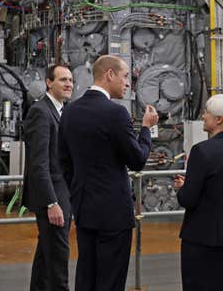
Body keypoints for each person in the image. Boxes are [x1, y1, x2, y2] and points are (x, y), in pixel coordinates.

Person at [59, 55, 159, 291]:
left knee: (87, 275)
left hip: (84, 209)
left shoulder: (70, 111)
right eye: (125, 76)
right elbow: (137, 160)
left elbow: (63, 161)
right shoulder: (116, 113)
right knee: (111, 280)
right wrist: (146, 128)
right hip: (113, 213)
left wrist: (78, 193)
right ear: (109, 75)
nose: (128, 83)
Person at [174, 94, 223, 291]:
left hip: (202, 237)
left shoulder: (201, 151)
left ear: (219, 119)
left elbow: (189, 199)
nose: (203, 116)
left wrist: (182, 188)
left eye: (207, 113)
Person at [22, 64, 74, 291]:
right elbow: (38, 164)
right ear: (49, 82)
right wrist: (51, 202)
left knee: (46, 254)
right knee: (58, 258)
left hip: (62, 192)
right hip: (52, 196)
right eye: (63, 80)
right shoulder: (40, 112)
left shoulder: (63, 110)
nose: (69, 84)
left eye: (71, 80)